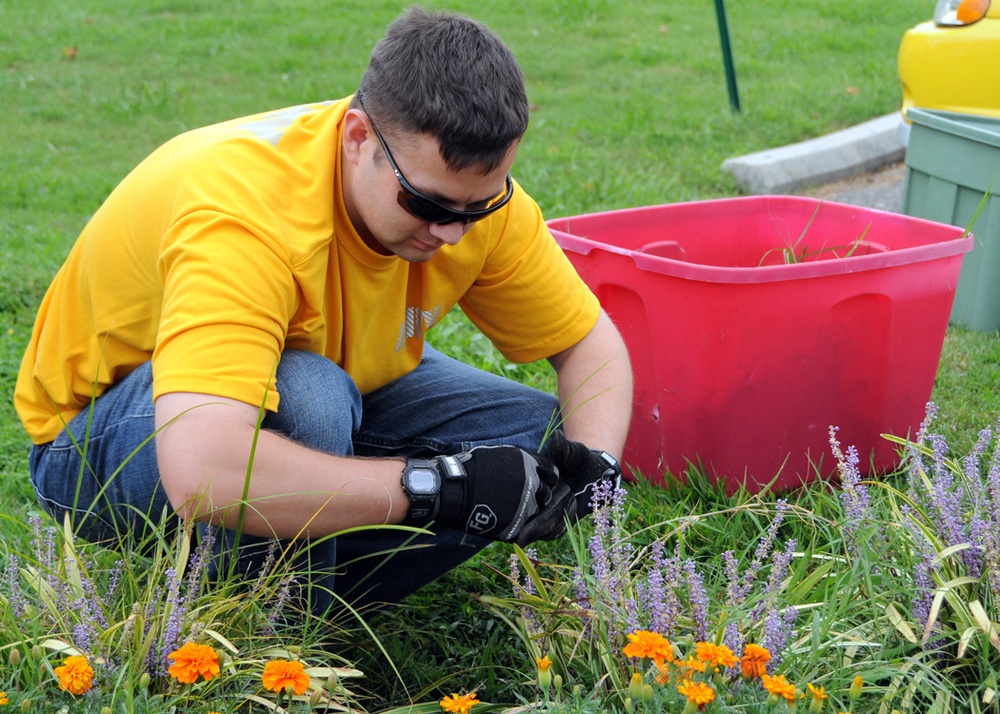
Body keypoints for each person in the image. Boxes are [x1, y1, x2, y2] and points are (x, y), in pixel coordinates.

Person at [14, 6, 633, 614]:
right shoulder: (244, 219)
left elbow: (589, 347)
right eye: (428, 204)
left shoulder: (468, 203)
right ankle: (270, 636)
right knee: (309, 397)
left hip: (325, 389)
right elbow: (203, 469)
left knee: (539, 440)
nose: (452, 233)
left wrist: (594, 470)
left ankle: (313, 590)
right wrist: (433, 490)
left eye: (477, 209)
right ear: (358, 137)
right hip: (98, 439)